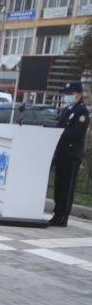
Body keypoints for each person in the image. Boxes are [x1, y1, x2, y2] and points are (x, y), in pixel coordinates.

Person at [50, 82, 89, 227]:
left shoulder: (82, 112)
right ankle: (57, 213)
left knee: (67, 186)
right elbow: (58, 126)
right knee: (59, 185)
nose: (67, 96)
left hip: (71, 155)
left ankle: (62, 216)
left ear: (78, 94)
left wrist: (59, 134)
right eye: (66, 93)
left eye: (70, 93)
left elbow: (76, 133)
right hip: (61, 153)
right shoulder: (67, 110)